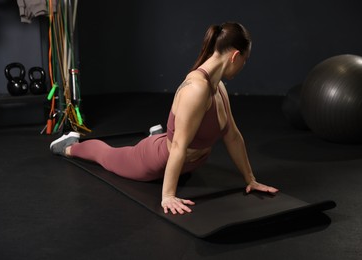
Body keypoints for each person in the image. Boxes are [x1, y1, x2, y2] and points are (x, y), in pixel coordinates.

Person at [50, 21, 279, 215]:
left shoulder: (219, 88)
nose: (244, 66)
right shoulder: (196, 89)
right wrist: (168, 195)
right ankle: (68, 146)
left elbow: (233, 136)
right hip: (156, 162)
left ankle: (157, 135)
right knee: (107, 156)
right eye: (245, 60)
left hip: (187, 164)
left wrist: (251, 179)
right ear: (235, 56)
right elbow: (179, 145)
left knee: (178, 135)